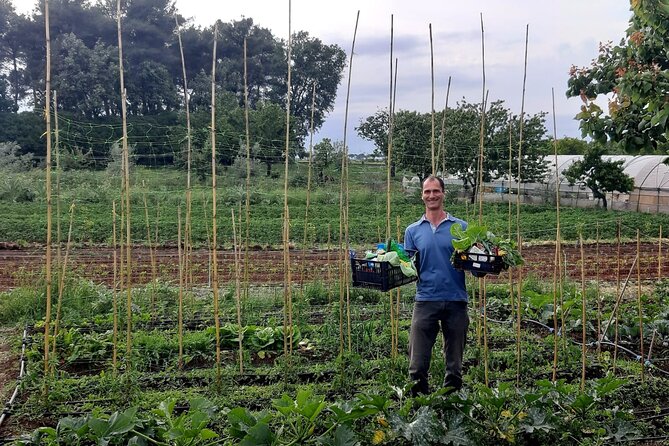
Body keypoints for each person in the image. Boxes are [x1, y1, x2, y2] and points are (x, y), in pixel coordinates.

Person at [403, 175, 469, 395]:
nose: (431, 195)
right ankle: (420, 407)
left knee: (455, 365)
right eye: (427, 192)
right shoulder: (413, 231)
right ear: (422, 195)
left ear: (443, 193)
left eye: (436, 191)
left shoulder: (460, 227)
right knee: (417, 363)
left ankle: (451, 405)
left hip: (456, 300)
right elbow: (408, 267)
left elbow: (473, 264)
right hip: (425, 300)